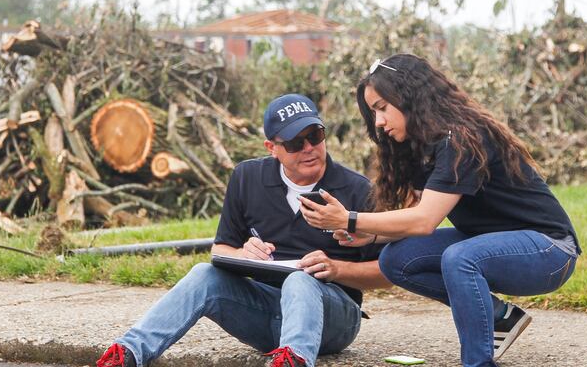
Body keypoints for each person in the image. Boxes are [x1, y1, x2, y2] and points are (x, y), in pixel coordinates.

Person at [300, 54, 581, 367]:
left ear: (408, 97)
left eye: (381, 107)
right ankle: (500, 316)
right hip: (499, 244)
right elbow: (418, 214)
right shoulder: (423, 147)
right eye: (373, 112)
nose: (378, 121)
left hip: (549, 251)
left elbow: (424, 221)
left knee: (460, 258)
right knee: (396, 258)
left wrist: (350, 219)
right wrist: (370, 234)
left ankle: (478, 362)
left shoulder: (461, 138)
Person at [96, 93, 390, 367]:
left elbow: (385, 273)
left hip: (334, 319)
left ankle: (294, 359)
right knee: (202, 274)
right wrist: (243, 253)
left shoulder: (356, 189)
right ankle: (127, 354)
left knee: (300, 281)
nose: (309, 148)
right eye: (294, 143)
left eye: (315, 136)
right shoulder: (247, 178)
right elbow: (220, 250)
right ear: (271, 148)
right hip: (264, 314)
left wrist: (335, 269)